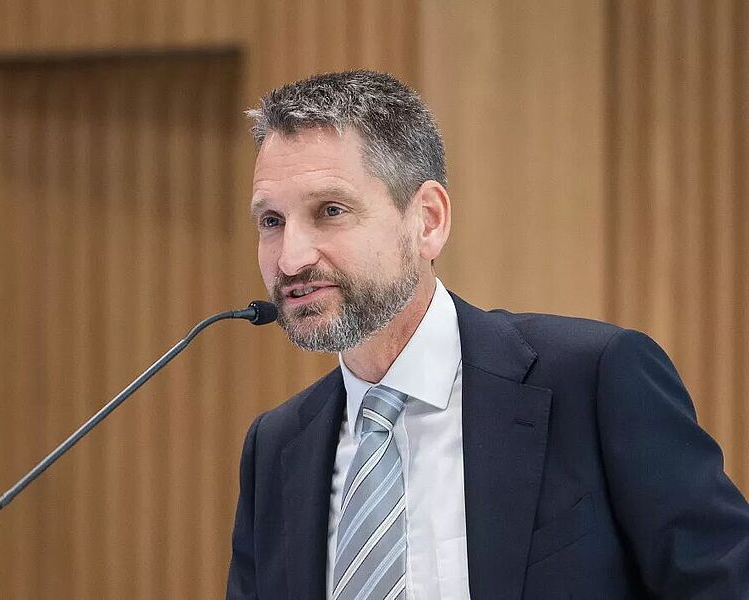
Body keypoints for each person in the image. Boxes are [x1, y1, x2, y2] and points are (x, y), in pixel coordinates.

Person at [227, 70, 749, 599]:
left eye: (331, 211)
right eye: (271, 221)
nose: (290, 259)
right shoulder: (276, 446)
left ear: (428, 220)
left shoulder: (595, 381)